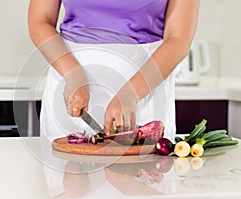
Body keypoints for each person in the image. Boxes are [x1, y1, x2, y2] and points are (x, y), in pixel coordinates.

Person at [28, 0, 200, 142]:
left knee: (145, 177)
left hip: (145, 88)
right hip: (71, 83)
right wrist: (73, 75)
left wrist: (131, 93)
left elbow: (179, 39)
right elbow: (40, 21)